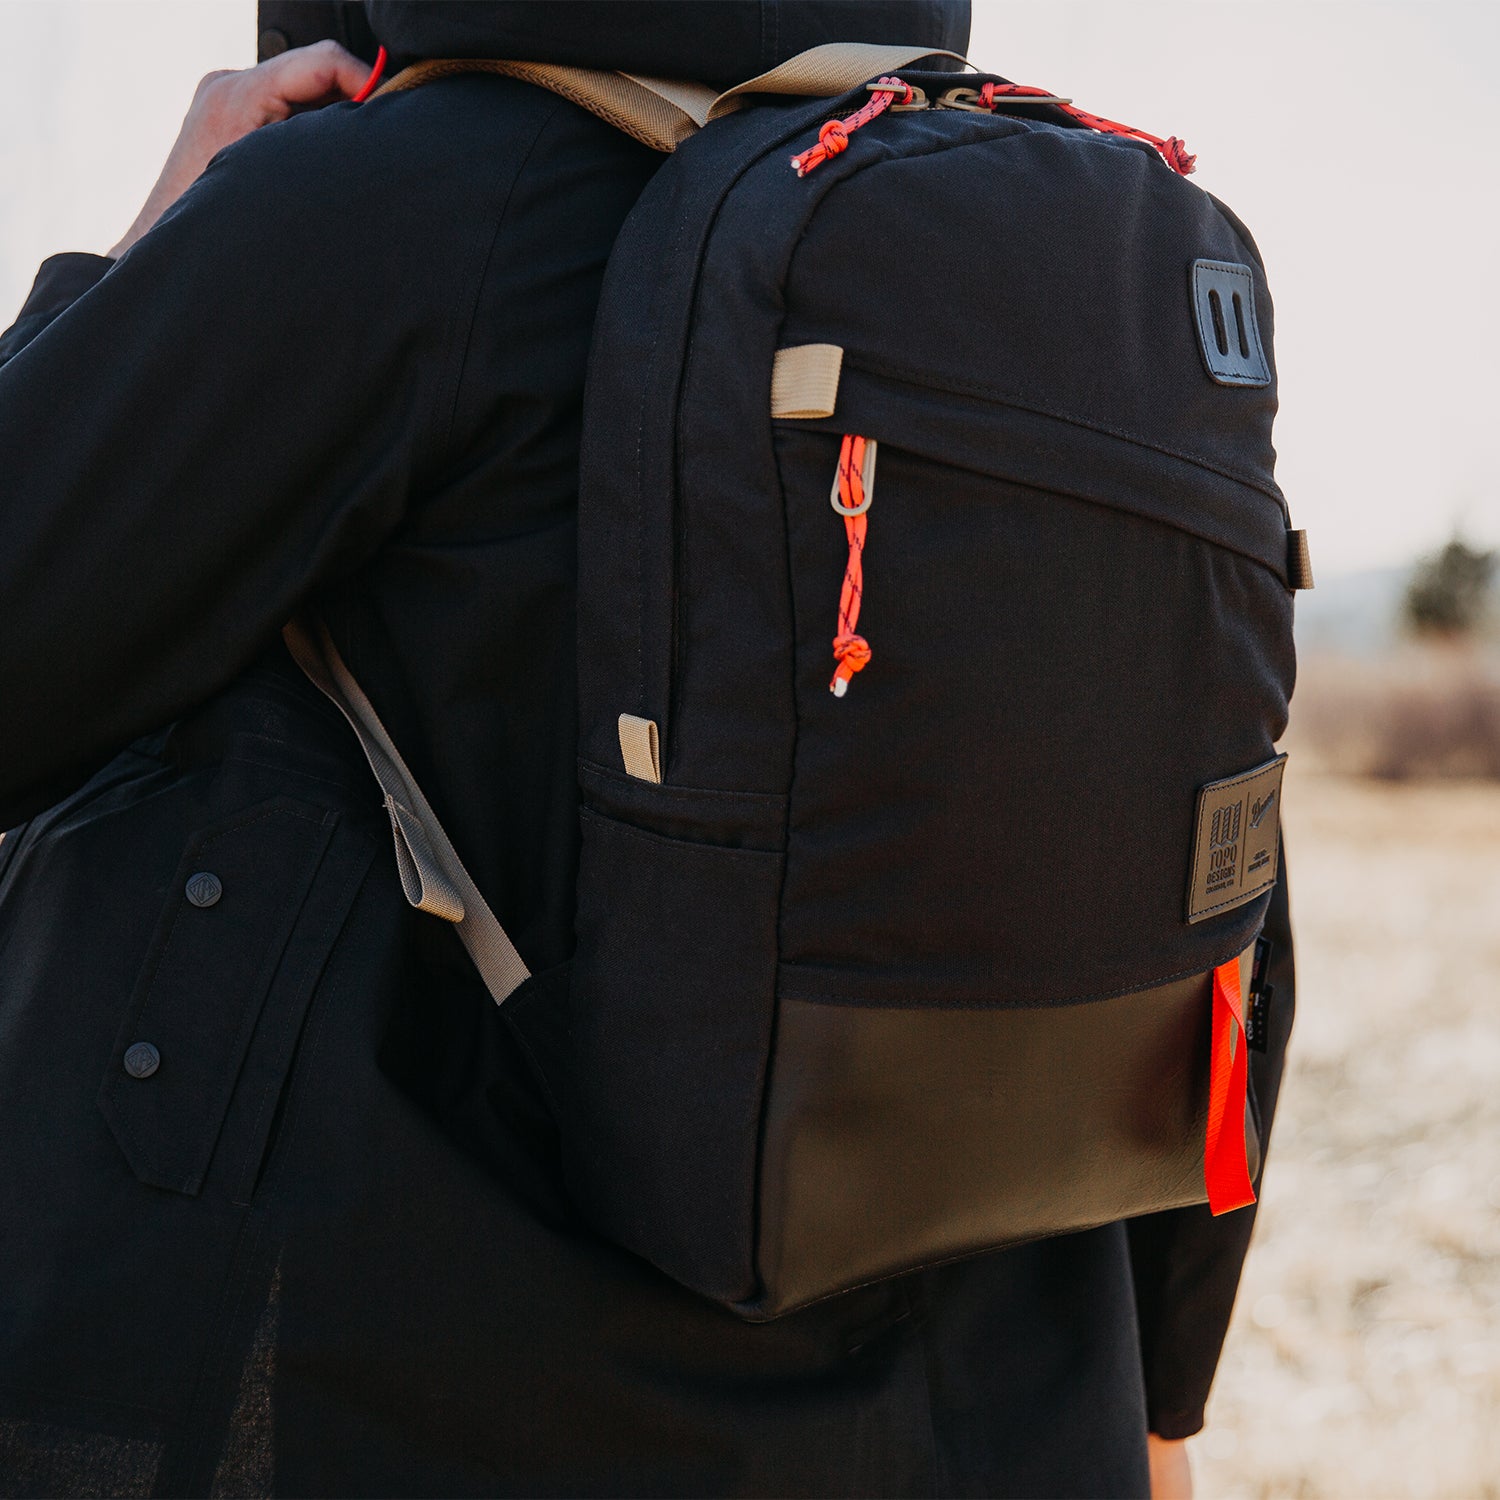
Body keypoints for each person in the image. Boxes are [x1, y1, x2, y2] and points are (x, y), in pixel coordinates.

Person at [0, 4, 1294, 1495]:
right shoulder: (1077, 258)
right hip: (992, 1416)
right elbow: (1212, 867)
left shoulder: (379, 200)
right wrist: (1166, 1401)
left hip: (412, 1394)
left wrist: (134, 267)